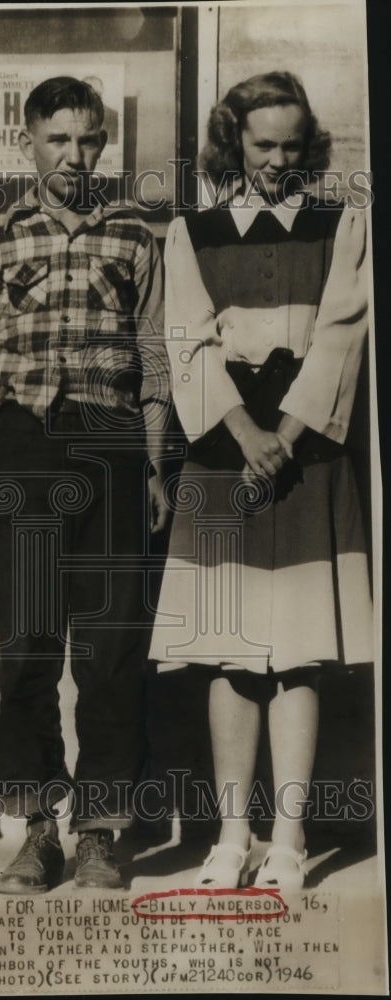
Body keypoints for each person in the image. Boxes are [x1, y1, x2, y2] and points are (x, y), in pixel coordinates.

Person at [0, 76, 171, 892]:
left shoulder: (138, 239)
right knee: (29, 648)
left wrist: (150, 464)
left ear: (105, 142)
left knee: (111, 650)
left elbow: (154, 364)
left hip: (111, 445)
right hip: (22, 447)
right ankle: (37, 829)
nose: (75, 155)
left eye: (88, 139)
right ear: (30, 143)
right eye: (58, 140)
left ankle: (102, 832)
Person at [149, 71, 373, 890]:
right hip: (224, 450)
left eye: (290, 146)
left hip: (307, 450)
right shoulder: (192, 227)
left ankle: (288, 840)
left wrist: (287, 431)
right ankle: (230, 836)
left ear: (308, 146)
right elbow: (183, 340)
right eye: (260, 144)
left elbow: (343, 334)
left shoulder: (341, 221)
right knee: (231, 653)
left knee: (300, 655)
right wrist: (244, 431)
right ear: (232, 141)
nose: (276, 161)